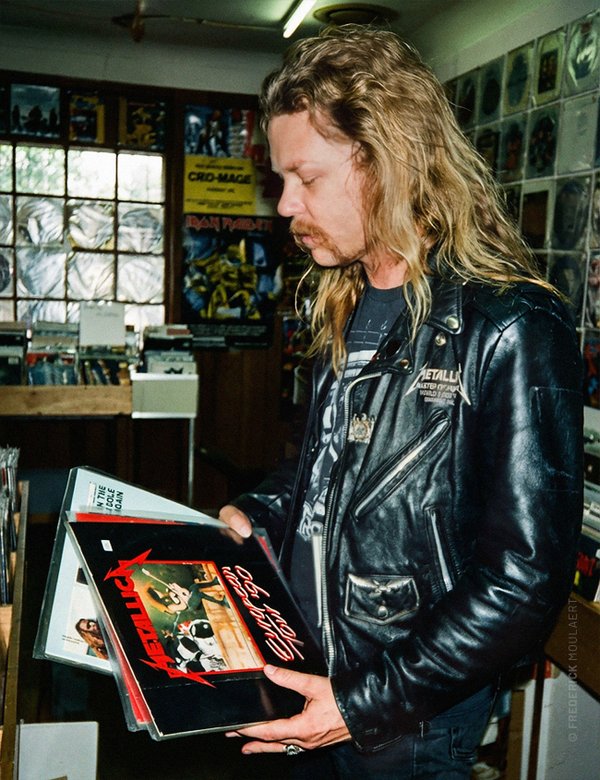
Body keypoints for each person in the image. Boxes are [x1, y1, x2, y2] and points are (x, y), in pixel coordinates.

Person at [219, 25, 583, 779]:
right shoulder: (343, 298)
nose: (286, 204)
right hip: (306, 674)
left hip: (404, 720)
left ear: (385, 160)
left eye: (306, 178)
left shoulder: (511, 324)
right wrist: (260, 508)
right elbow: (332, 471)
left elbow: (523, 581)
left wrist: (359, 703)